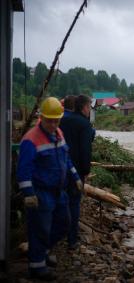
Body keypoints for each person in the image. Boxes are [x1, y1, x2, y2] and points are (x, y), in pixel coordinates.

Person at [17, 97, 83, 281]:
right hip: (40, 192)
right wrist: (29, 194)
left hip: (58, 191)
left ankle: (44, 251)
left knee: (64, 224)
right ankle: (37, 267)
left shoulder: (58, 133)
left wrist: (76, 177)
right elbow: (23, 170)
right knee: (40, 229)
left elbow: (66, 159)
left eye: (56, 120)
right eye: (50, 120)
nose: (53, 124)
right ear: (42, 117)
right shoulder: (31, 139)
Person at [60, 95, 94, 250]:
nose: (90, 110)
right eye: (90, 107)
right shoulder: (84, 124)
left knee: (60, 201)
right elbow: (85, 150)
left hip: (60, 167)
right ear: (84, 107)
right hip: (76, 170)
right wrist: (86, 171)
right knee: (74, 203)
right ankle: (72, 239)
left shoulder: (63, 120)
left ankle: (57, 235)